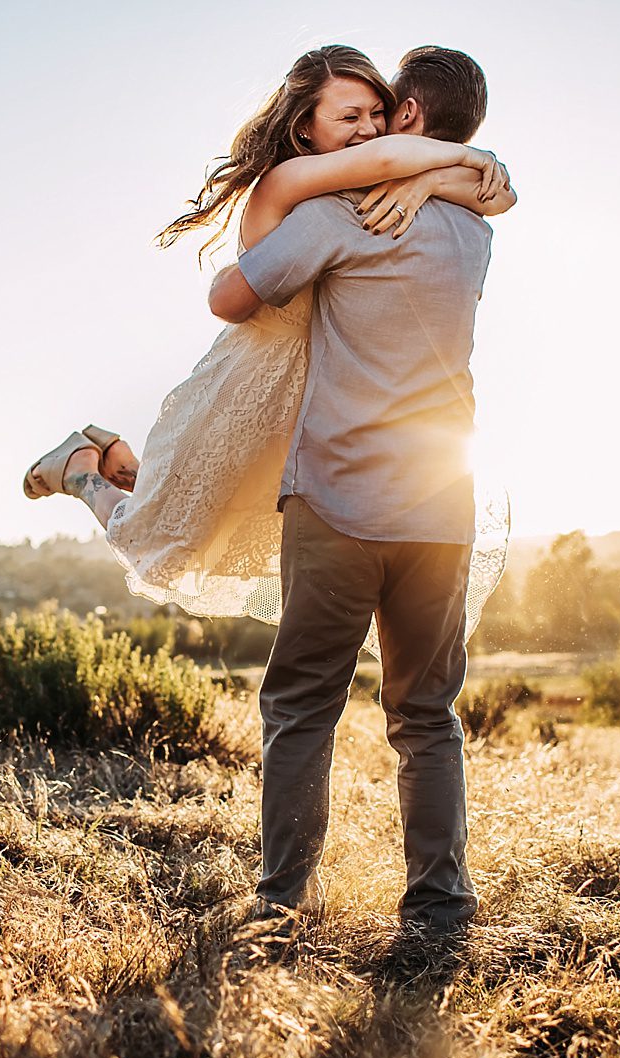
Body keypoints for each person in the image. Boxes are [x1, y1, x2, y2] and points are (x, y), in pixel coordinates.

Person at [21, 45, 514, 658]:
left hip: (317, 386)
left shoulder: (368, 182)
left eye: (376, 114)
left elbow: (499, 197)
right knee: (163, 534)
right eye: (349, 117)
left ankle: (128, 465)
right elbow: (436, 170)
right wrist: (469, 156)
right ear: (304, 124)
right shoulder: (291, 180)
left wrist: (439, 176)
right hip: (261, 372)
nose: (369, 131)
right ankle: (82, 473)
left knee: (222, 510)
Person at [204, 45, 498, 935]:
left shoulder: (341, 214)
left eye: (382, 113)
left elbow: (230, 297)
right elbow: (489, 184)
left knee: (301, 707)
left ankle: (282, 901)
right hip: (444, 510)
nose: (371, 130)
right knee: (426, 713)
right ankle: (440, 907)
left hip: (337, 500)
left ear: (407, 117)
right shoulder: (477, 227)